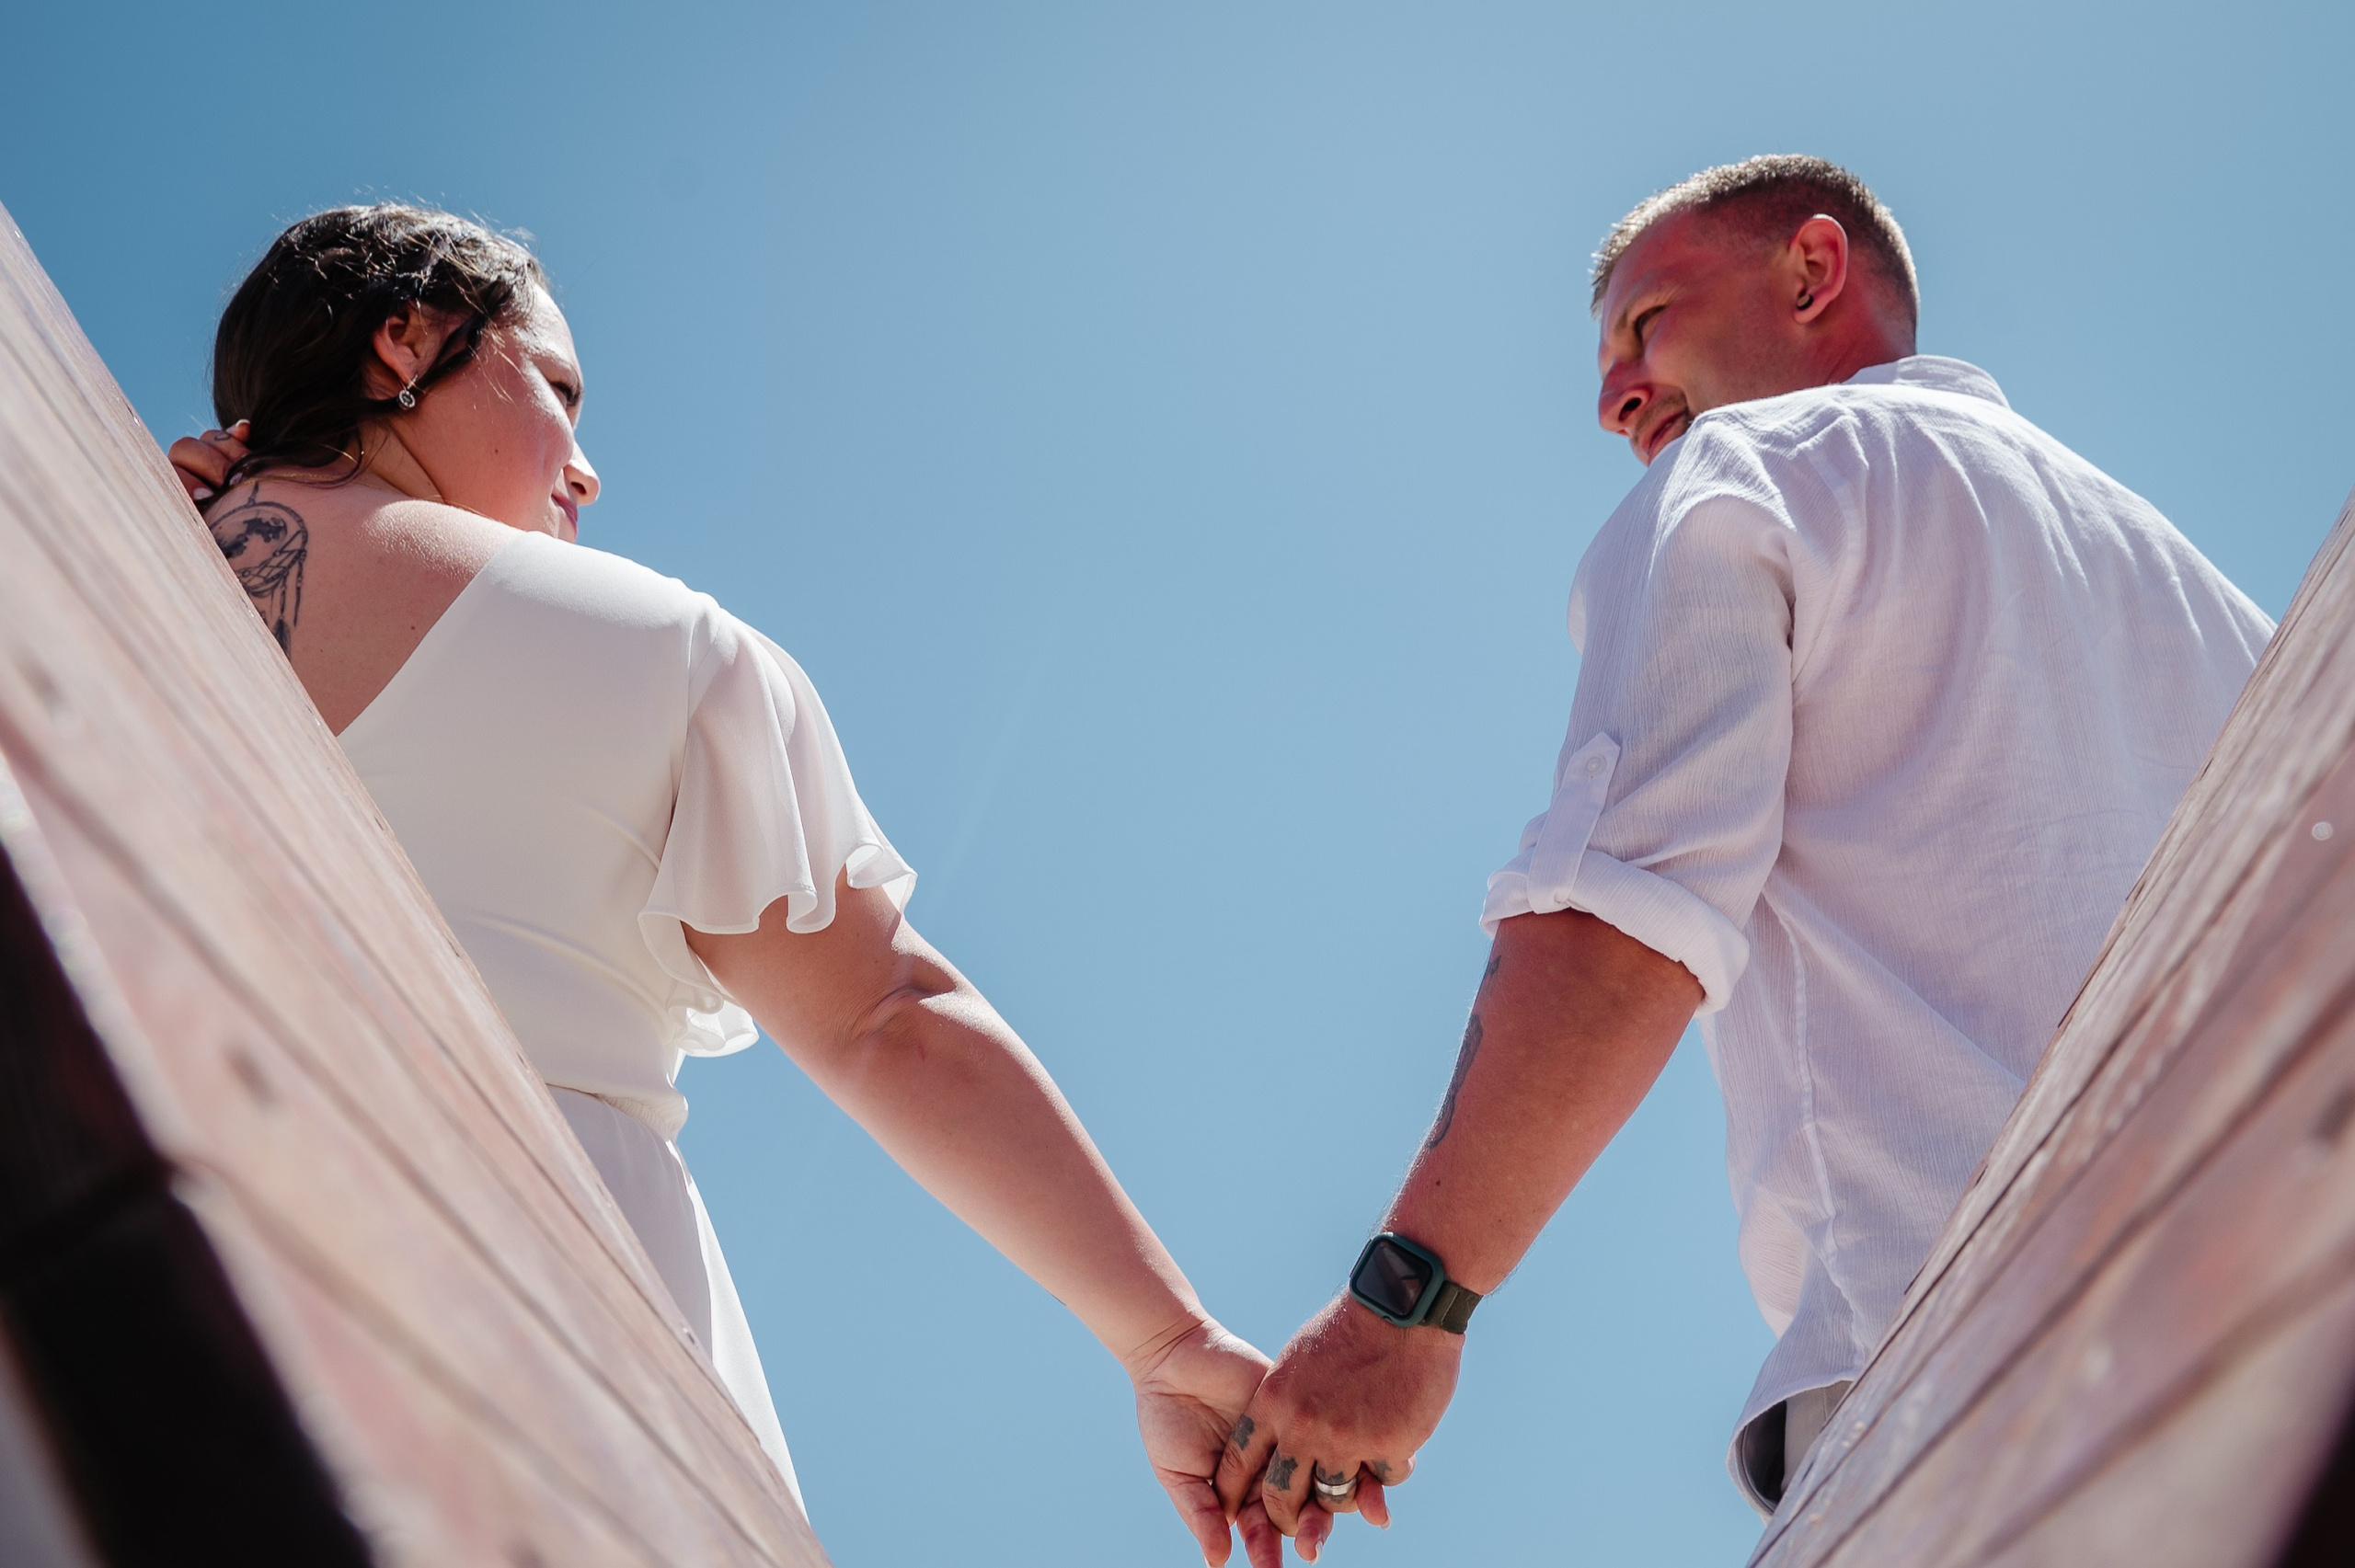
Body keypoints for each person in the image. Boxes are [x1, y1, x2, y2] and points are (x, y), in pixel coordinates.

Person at [170, 204, 1276, 1567]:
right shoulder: (656, 652)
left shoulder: (88, 570)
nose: (584, 465)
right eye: (558, 390)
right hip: (544, 1336)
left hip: (135, 1301)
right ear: (406, 340)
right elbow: (887, 1019)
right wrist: (1164, 1339)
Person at [1214, 155, 2275, 1562]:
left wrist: (1401, 1310)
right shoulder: (2208, 600)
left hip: (1989, 1389)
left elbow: (1625, 918)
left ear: (1811, 272)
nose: (1615, 399)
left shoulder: (1750, 473)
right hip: (2284, 1320)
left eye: (1647, 322)